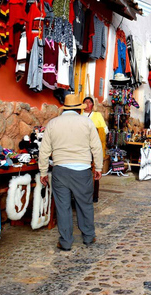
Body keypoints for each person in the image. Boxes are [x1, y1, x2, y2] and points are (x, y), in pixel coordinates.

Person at [39, 94, 103, 251]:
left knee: (63, 207)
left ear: (65, 108)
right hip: (82, 170)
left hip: (61, 170)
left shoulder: (53, 123)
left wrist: (43, 171)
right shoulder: (87, 123)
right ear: (78, 109)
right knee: (85, 205)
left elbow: (44, 150)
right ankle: (88, 237)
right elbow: (97, 147)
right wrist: (99, 168)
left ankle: (66, 241)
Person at [82, 97, 107, 202]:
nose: (87, 104)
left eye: (90, 102)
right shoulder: (79, 116)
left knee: (95, 169)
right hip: (82, 146)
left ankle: (94, 195)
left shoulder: (97, 115)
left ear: (93, 105)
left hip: (93, 146)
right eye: (85, 102)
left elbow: (105, 130)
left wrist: (96, 132)